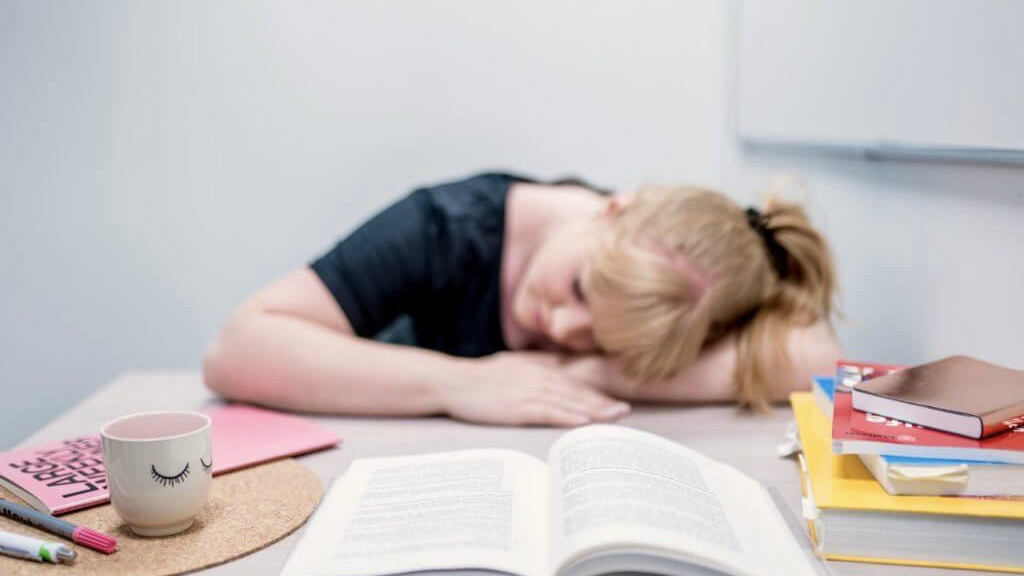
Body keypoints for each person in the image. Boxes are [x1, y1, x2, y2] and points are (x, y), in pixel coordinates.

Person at [203, 172, 841, 427]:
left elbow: (816, 359)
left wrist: (576, 374)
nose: (562, 327)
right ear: (613, 209)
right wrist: (462, 384)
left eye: (601, 337)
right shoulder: (442, 226)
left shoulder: (674, 290)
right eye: (579, 289)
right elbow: (238, 349)